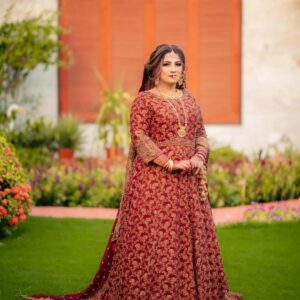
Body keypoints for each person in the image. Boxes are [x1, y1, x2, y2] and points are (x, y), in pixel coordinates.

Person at [22, 44, 243, 300]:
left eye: (177, 64)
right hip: (154, 182)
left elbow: (200, 134)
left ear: (183, 69)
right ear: (155, 68)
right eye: (167, 64)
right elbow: (139, 137)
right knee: (157, 239)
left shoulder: (191, 100)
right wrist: (170, 163)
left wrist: (197, 157)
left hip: (189, 185)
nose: (173, 69)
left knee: (187, 238)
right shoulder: (144, 100)